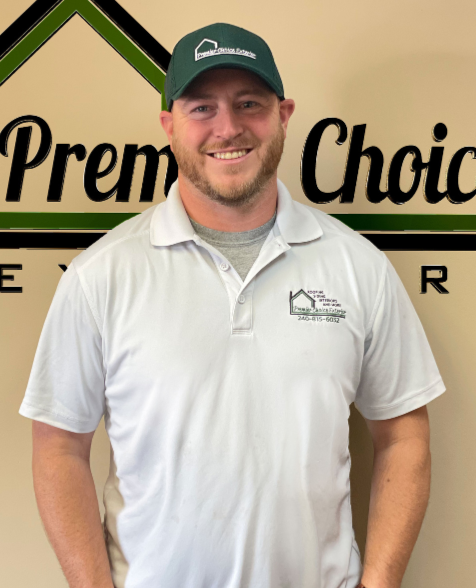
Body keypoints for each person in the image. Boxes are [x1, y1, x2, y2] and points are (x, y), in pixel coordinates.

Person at [19, 22, 446, 588]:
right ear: (169, 126)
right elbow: (58, 449)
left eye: (249, 104)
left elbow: (404, 436)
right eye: (202, 108)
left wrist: (380, 583)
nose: (228, 128)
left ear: (283, 116)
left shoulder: (356, 266)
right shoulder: (101, 275)